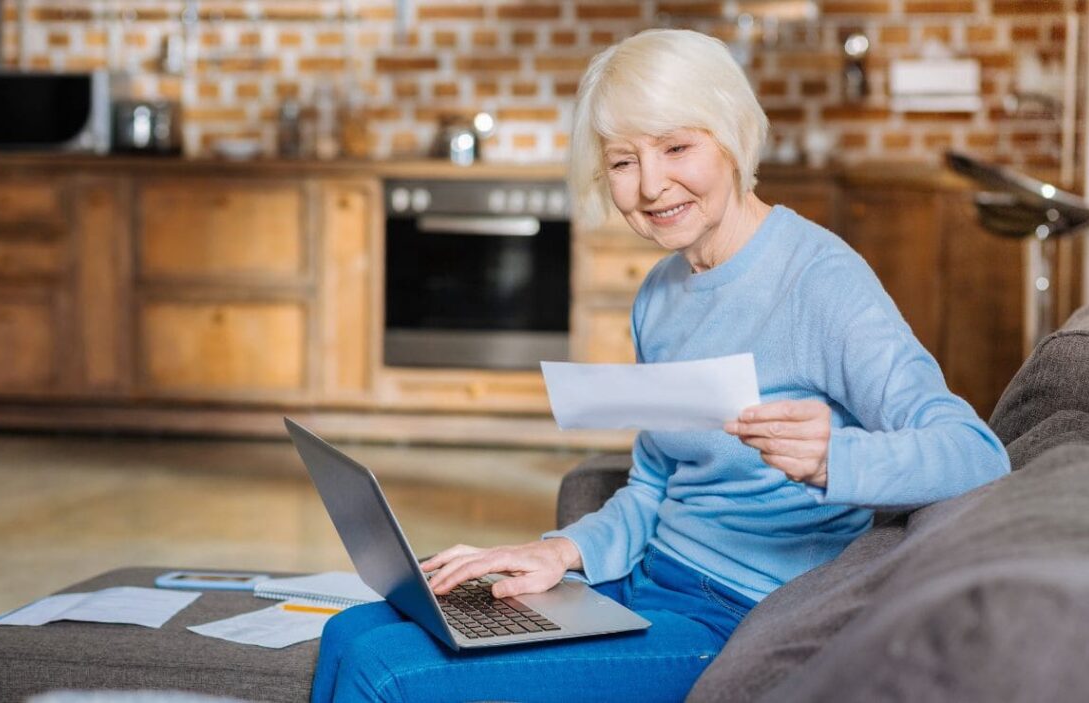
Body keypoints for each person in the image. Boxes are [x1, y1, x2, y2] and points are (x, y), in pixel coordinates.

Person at [309, 28, 1010, 703]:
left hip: (734, 618)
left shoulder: (824, 281)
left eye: (677, 146)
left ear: (734, 136)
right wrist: (561, 551)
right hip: (641, 583)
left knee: (386, 670)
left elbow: (977, 455)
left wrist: (838, 457)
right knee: (350, 632)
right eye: (622, 160)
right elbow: (652, 485)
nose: (651, 186)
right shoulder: (660, 295)